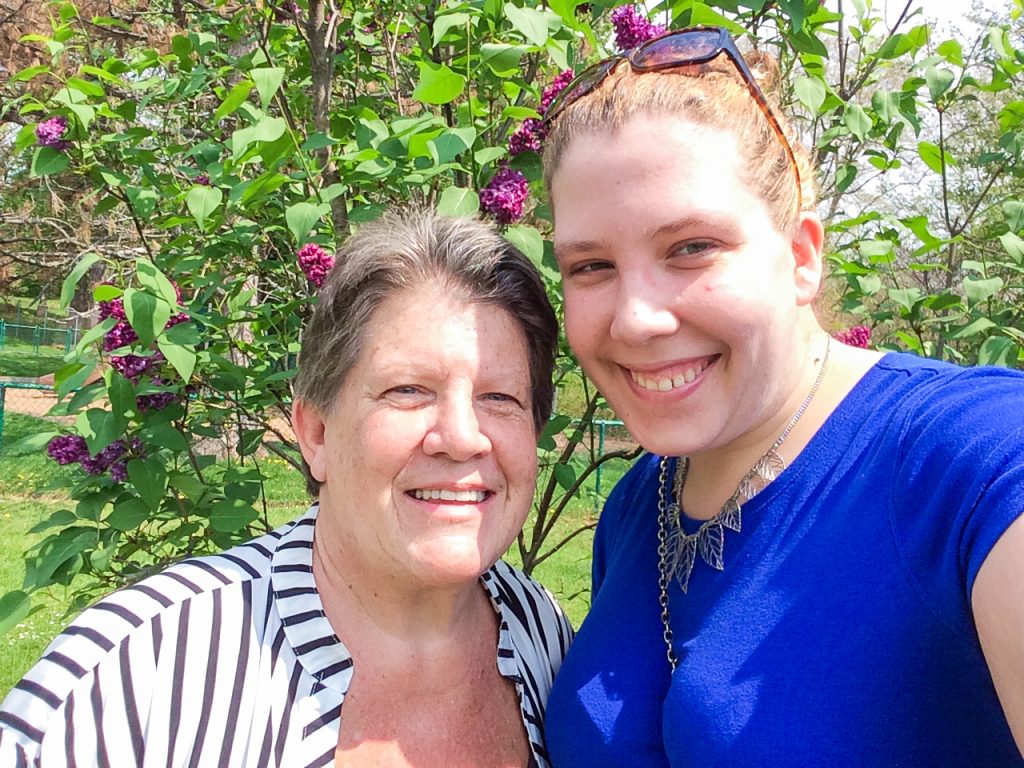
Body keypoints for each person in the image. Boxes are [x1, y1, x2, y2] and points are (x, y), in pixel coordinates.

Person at [538, 25, 1024, 766]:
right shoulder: (639, 506)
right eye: (591, 265)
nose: (637, 318)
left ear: (801, 257)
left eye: (691, 248)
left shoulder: (972, 458)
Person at [0, 209, 573, 767]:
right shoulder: (135, 674)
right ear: (317, 432)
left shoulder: (543, 638)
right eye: (407, 390)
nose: (462, 437)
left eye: (500, 398)